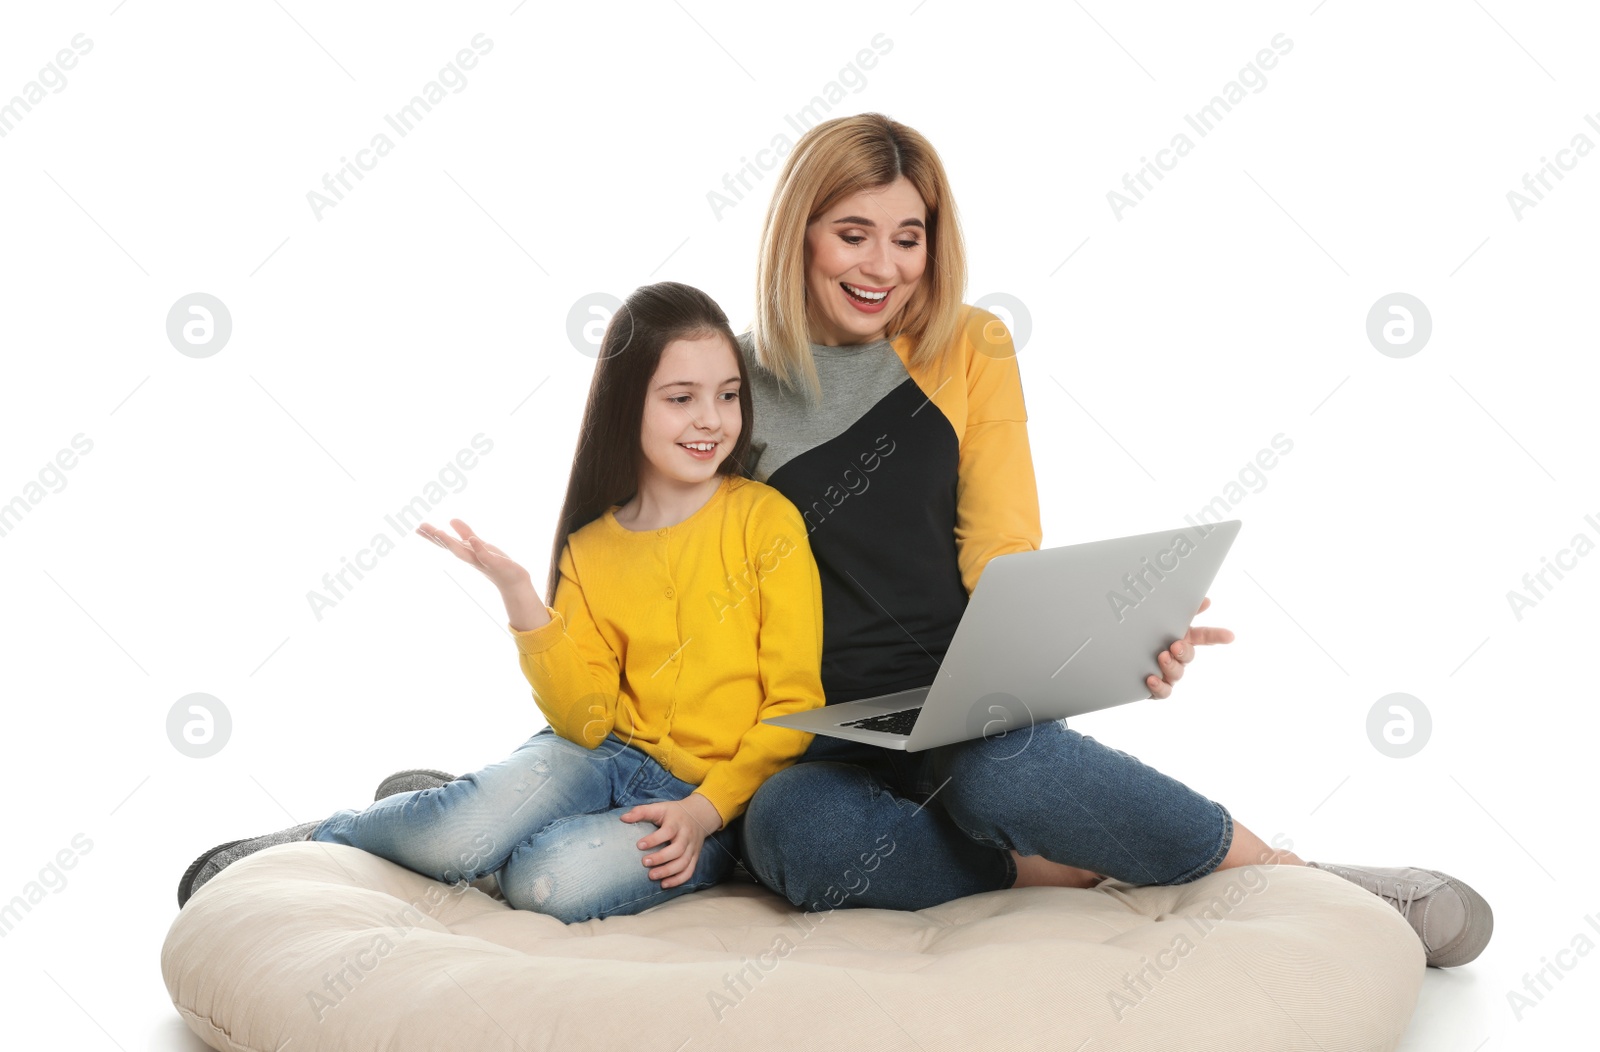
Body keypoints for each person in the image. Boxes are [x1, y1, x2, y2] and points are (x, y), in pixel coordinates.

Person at [714, 112, 1490, 968]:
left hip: (961, 705)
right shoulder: (727, 385)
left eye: (909, 237)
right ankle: (1032, 869)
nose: (885, 267)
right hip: (811, 729)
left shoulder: (968, 344)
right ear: (798, 235)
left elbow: (1002, 545)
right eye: (853, 234)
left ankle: (1287, 874)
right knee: (795, 833)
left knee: (1006, 773)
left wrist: (1108, 637)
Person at [175, 282, 826, 924]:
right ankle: (337, 834)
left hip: (706, 807)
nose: (710, 419)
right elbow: (587, 722)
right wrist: (522, 599)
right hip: (595, 755)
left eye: (728, 395)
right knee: (462, 835)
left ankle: (457, 813)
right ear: (629, 406)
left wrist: (705, 811)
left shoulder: (766, 521)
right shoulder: (591, 546)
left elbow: (796, 706)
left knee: (547, 884)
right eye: (681, 398)